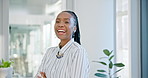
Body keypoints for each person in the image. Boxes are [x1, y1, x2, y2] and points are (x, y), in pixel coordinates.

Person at [35, 10, 89, 78]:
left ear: (74, 28)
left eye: (66, 22)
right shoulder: (50, 52)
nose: (60, 25)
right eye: (57, 21)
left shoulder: (78, 51)